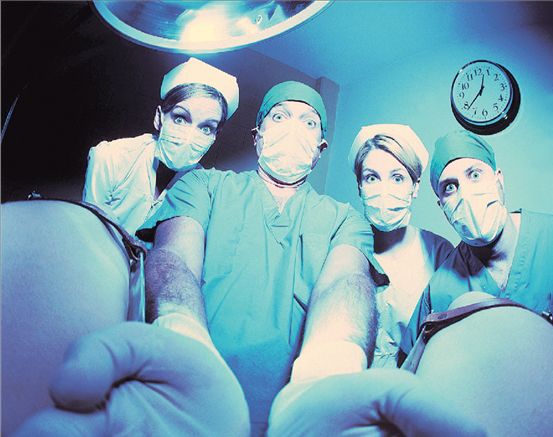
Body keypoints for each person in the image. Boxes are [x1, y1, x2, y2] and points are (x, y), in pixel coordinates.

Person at [137, 80, 383, 435]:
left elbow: (345, 283)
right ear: (257, 136)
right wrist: (182, 339)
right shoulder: (203, 186)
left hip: (295, 415)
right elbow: (174, 258)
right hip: (189, 403)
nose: (293, 129)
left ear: (320, 149)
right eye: (280, 117)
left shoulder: (345, 220)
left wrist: (330, 370)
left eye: (308, 122)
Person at [401, 129, 553, 356]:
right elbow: (411, 363)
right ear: (442, 206)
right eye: (450, 187)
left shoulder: (548, 238)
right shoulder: (440, 291)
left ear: (498, 180)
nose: (465, 195)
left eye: (474, 175)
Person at [82, 57, 239, 235]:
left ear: (214, 137)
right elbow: (88, 230)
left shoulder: (203, 188)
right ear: (159, 117)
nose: (189, 137)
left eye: (206, 128)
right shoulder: (112, 157)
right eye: (180, 119)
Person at [348, 124, 453, 368]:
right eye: (372, 178)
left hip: (414, 380)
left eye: (397, 178)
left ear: (415, 187)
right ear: (359, 187)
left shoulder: (439, 253)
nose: (384, 189)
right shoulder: (344, 246)